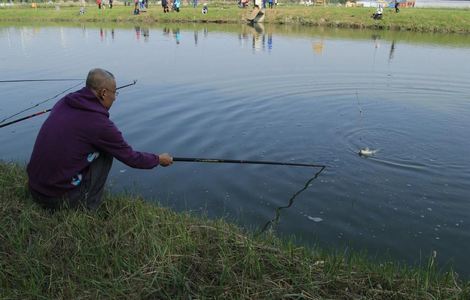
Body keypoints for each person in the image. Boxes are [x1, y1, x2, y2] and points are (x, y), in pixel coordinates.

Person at [27, 68, 173, 211]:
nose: (115, 97)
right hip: (56, 200)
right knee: (106, 152)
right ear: (103, 93)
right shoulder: (100, 124)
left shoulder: (65, 101)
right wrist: (158, 159)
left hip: (35, 189)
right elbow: (131, 158)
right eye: (114, 92)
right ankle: (89, 205)